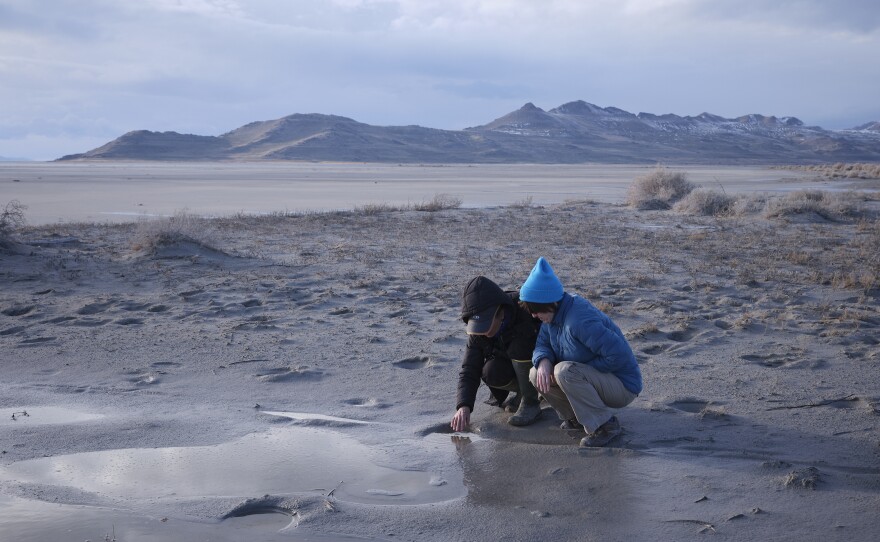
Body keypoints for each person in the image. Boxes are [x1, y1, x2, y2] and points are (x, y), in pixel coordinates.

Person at [519, 257, 643, 447]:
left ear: (550, 302)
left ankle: (605, 425)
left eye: (536, 310)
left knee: (565, 371)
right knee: (536, 373)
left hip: (623, 386)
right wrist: (543, 361)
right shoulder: (552, 316)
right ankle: (576, 418)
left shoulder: (579, 320)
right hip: (593, 379)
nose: (534, 315)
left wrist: (581, 371)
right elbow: (543, 343)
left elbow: (618, 356)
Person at [451, 276, 543, 432]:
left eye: (486, 325)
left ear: (500, 312)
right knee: (490, 371)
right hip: (511, 365)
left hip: (541, 367)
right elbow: (469, 369)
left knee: (519, 346)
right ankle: (522, 393)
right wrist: (464, 406)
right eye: (478, 326)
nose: (484, 332)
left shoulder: (525, 308)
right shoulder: (477, 332)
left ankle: (530, 402)